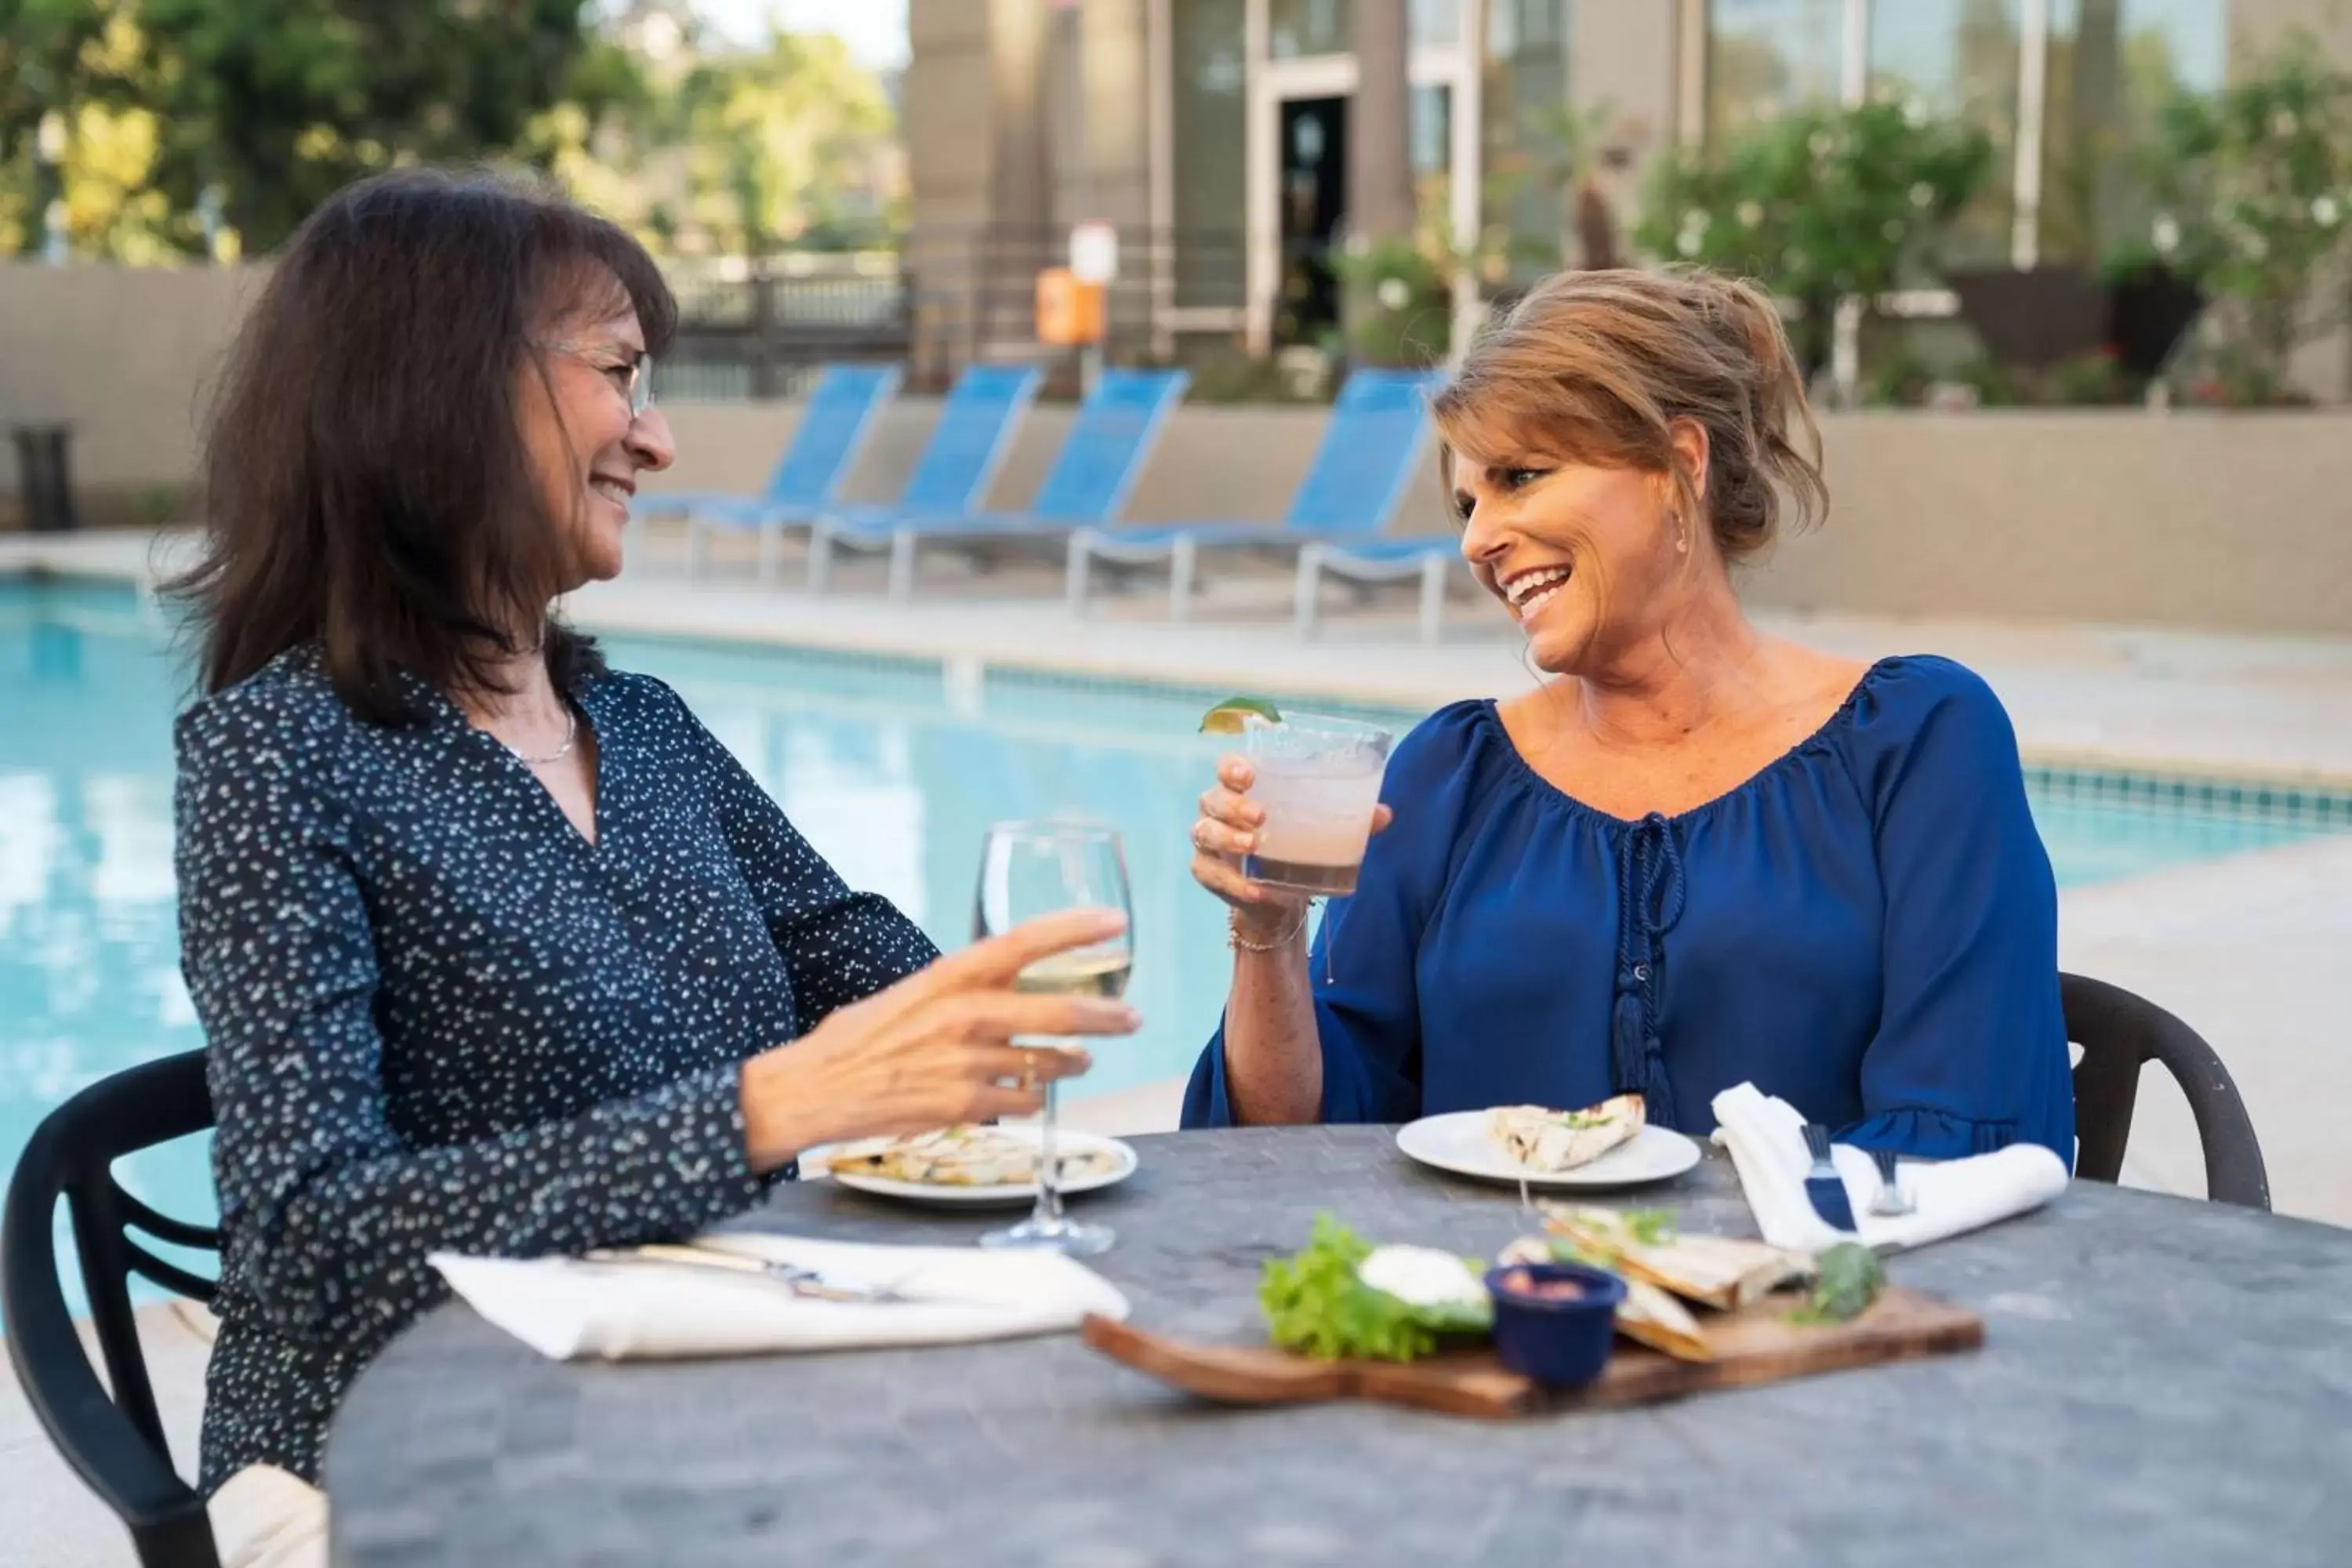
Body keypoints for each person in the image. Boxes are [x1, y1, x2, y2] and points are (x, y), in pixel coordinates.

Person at [166, 168, 1138, 1527]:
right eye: (622, 373)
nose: (657, 438)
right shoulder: (285, 758)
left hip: (701, 1394)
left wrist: (979, 1015)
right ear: (441, 385)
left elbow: (856, 966)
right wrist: (772, 1108)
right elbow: (312, 1236)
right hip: (405, 1459)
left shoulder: (644, 731)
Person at [1182, 267, 2074, 1161]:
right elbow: (1298, 1142)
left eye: (1521, 477)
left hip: (1813, 1293)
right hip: (1495, 1294)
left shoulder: (1916, 743)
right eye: (1468, 502)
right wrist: (1270, 932)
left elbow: (1965, 1131)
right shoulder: (1448, 776)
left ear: (1678, 466)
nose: (1476, 538)